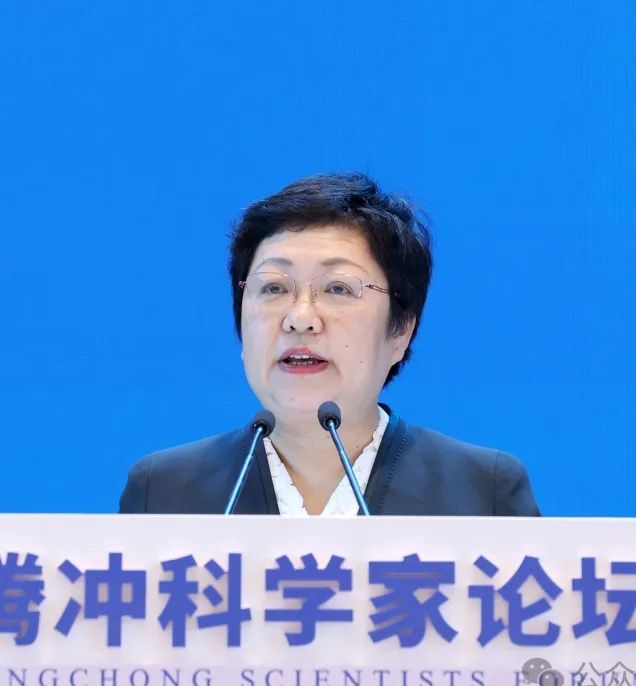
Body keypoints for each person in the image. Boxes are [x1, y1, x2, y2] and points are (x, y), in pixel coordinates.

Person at [119, 172, 540, 516]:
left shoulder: (482, 491)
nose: (300, 318)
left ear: (400, 330)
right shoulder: (164, 492)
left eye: (338, 288)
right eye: (273, 288)